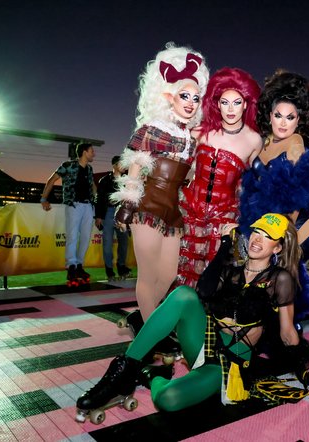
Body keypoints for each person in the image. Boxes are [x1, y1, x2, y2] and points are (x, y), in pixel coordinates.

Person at [76, 213, 309, 416]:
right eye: (256, 231)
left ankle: (154, 375)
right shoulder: (232, 272)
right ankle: (123, 371)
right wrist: (224, 248)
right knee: (184, 295)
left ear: (277, 248)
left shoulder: (280, 279)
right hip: (204, 343)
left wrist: (304, 371)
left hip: (226, 365)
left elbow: (287, 334)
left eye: (268, 236)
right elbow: (204, 291)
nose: (257, 239)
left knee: (168, 400)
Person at [111, 43, 209, 321]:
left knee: (167, 275)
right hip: (147, 208)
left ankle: (143, 322)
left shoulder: (192, 137)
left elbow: (188, 176)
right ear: (169, 97)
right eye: (184, 96)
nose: (190, 102)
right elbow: (135, 167)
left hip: (173, 212)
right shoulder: (152, 129)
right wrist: (128, 203)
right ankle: (152, 336)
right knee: (148, 275)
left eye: (195, 97)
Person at [238, 71, 309, 319]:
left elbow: (296, 191)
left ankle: (288, 329)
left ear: (298, 120)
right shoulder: (262, 143)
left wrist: (286, 229)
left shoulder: (295, 142)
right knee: (269, 265)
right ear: (269, 116)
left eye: (290, 117)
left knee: (286, 264)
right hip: (280, 213)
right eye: (279, 116)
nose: (283, 122)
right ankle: (270, 323)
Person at [174, 67, 263, 289]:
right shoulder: (200, 132)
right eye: (225, 102)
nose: (230, 109)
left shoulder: (254, 140)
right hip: (189, 211)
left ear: (246, 104)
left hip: (224, 218)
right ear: (217, 104)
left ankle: (209, 321)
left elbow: (250, 187)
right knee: (181, 270)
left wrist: (241, 220)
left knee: (214, 275)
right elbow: (179, 166)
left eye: (236, 102)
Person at [41, 142, 96, 285]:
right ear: (84, 152)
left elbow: (92, 186)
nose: (93, 154)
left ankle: (79, 265)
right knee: (72, 235)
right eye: (91, 151)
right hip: (73, 205)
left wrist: (96, 201)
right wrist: (43, 199)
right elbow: (52, 180)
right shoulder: (67, 165)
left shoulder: (89, 169)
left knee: (85, 237)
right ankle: (71, 266)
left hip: (88, 206)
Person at [95, 155, 130, 281]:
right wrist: (98, 216)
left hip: (123, 214)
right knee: (107, 243)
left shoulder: (128, 180)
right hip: (108, 213)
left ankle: (121, 267)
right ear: (114, 165)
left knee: (124, 242)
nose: (124, 166)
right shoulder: (104, 180)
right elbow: (99, 199)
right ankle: (109, 270)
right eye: (122, 164)